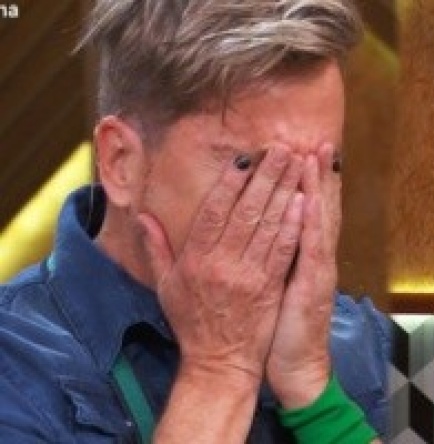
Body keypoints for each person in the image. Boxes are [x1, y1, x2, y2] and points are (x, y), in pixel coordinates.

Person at [0, 0, 390, 442]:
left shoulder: (366, 341)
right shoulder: (15, 366)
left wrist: (311, 386)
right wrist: (218, 370)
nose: (299, 211)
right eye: (250, 168)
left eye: (326, 168)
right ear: (120, 162)